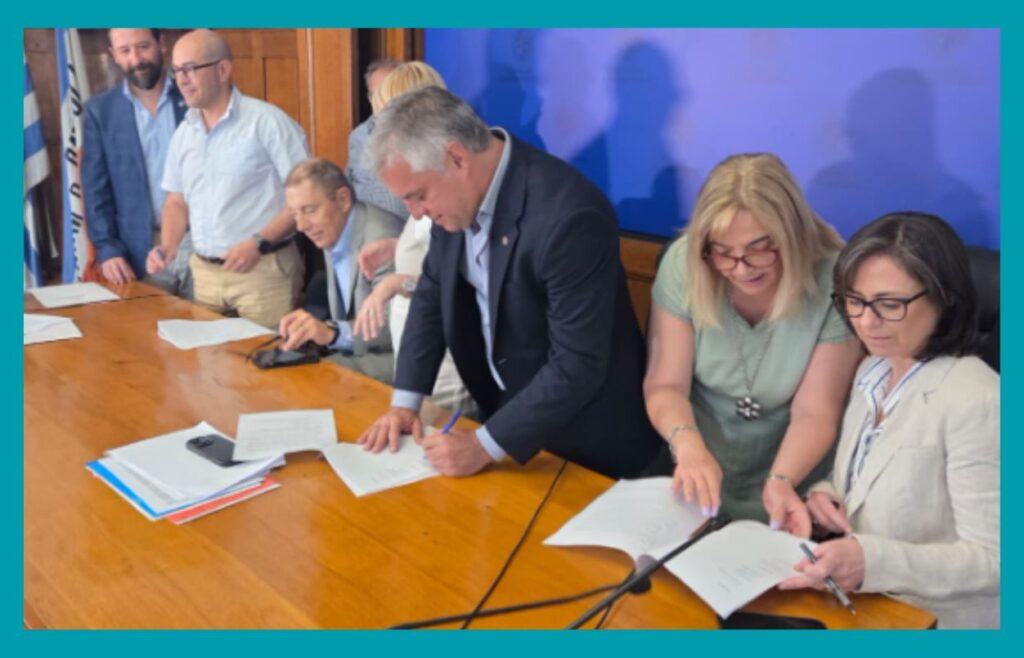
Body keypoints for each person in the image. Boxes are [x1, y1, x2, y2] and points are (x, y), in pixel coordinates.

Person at [355, 86, 662, 479]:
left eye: (418, 196)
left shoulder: (569, 216)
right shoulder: (454, 198)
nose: (415, 214)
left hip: (587, 446)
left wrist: (484, 445)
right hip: (508, 423)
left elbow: (577, 363)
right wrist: (404, 403)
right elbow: (432, 293)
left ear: (456, 158)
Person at [780, 212, 999, 629]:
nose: (866, 321)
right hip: (861, 609)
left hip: (934, 622)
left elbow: (996, 560)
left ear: (946, 298)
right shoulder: (873, 369)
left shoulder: (980, 401)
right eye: (855, 301)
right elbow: (865, 481)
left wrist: (872, 560)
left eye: (890, 304)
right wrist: (826, 498)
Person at [644, 153, 862, 531]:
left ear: (793, 234)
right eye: (723, 253)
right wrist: (688, 446)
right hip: (697, 470)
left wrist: (781, 480)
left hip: (794, 482)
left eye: (759, 248)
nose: (741, 268)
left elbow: (815, 413)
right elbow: (666, 385)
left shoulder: (834, 280)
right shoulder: (685, 264)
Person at [146, 29, 308, 329]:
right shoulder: (184, 133)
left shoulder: (268, 122)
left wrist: (259, 242)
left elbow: (307, 199)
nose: (181, 80)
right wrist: (167, 247)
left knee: (267, 359)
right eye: (177, 70)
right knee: (211, 360)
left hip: (263, 273)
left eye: (190, 69)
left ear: (222, 70)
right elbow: (176, 201)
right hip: (205, 277)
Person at [351, 61, 475, 414]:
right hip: (416, 347)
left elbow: (459, 280)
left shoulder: (451, 192)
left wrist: (394, 284)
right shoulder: (424, 183)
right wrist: (395, 248)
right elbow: (430, 249)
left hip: (446, 364)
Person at [83, 28, 193, 297]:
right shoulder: (100, 112)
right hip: (138, 252)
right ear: (113, 55)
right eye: (125, 51)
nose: (136, 59)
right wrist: (108, 250)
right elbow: (96, 192)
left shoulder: (194, 98)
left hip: (199, 243)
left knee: (207, 320)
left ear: (161, 44)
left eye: (143, 47)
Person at [277, 159, 403, 383]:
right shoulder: (333, 226)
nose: (301, 226)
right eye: (295, 214)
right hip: (361, 349)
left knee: (311, 377)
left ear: (343, 199)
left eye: (309, 210)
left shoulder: (381, 237)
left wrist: (332, 332)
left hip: (398, 358)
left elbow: (393, 329)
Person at [346, 58, 406, 221]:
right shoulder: (358, 136)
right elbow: (350, 186)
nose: (382, 101)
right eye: (375, 94)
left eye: (387, 93)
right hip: (369, 231)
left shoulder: (419, 132)